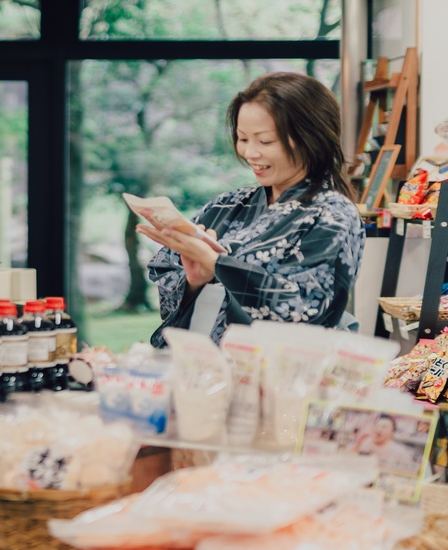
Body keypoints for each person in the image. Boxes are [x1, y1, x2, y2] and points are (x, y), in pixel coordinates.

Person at [142, 72, 365, 345]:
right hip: (200, 367)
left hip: (277, 375)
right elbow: (167, 274)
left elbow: (307, 310)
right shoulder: (226, 205)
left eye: (265, 141)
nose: (250, 153)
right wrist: (194, 280)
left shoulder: (333, 214)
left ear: (311, 137)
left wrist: (218, 264)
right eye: (243, 138)